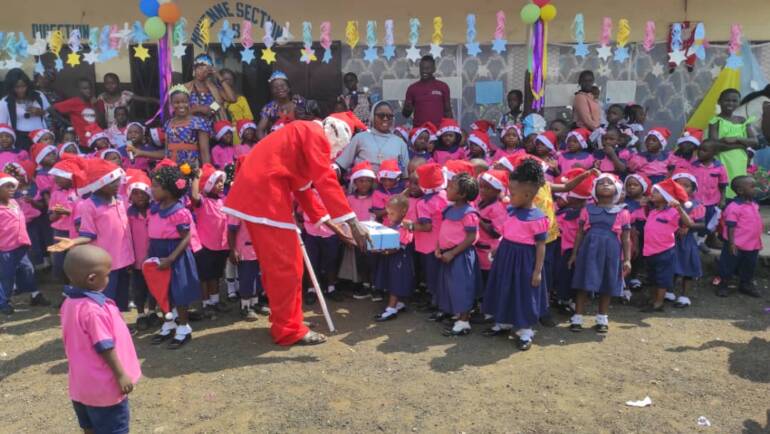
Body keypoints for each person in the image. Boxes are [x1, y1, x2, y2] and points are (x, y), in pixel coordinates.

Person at [223, 112, 370, 346]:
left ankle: (287, 320)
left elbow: (304, 191)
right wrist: (353, 223)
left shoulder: (302, 135)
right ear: (337, 135)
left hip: (263, 194)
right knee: (287, 267)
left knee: (283, 266)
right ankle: (289, 329)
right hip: (265, 196)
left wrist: (335, 227)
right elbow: (324, 179)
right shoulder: (313, 134)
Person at [59, 245, 141, 434]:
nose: (108, 278)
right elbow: (104, 346)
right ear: (92, 279)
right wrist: (121, 374)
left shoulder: (69, 303)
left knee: (89, 428)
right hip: (104, 386)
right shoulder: (93, 309)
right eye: (107, 274)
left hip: (81, 385)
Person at [48, 159, 134, 311]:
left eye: (117, 181)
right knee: (106, 300)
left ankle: (118, 325)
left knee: (121, 300)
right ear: (100, 184)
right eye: (112, 182)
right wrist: (73, 242)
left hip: (125, 259)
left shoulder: (120, 200)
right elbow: (88, 234)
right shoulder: (88, 205)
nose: (117, 185)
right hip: (106, 262)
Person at [482, 159, 549, 350]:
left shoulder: (537, 219)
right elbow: (506, 233)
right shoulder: (511, 211)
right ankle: (503, 322)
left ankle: (525, 330)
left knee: (523, 293)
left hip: (525, 260)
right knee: (505, 287)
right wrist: (498, 248)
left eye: (512, 193)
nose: (508, 196)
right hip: (506, 256)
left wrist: (537, 271)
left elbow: (541, 246)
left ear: (527, 194)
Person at [145, 161, 201, 348]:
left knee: (179, 292)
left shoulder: (179, 212)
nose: (152, 189)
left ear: (169, 190)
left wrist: (171, 258)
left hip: (174, 254)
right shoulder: (154, 209)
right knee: (162, 290)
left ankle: (184, 327)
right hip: (157, 251)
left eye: (156, 186)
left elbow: (186, 238)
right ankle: (169, 323)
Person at [568, 173, 631, 333]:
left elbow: (626, 238)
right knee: (583, 282)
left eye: (608, 183)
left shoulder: (623, 212)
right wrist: (574, 254)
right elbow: (580, 233)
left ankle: (602, 318)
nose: (604, 185)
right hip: (588, 249)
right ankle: (578, 317)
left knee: (607, 282)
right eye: (600, 183)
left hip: (611, 251)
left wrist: (627, 259)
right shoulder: (587, 210)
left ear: (616, 189)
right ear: (594, 189)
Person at [435, 172, 481, 336]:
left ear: (461, 194)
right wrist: (438, 247)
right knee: (451, 286)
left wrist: (453, 253)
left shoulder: (469, 213)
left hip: (460, 256)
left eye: (452, 187)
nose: (447, 188)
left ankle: (464, 321)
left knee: (463, 287)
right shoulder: (449, 209)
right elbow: (443, 230)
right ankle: (457, 315)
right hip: (448, 254)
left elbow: (471, 237)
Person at [641, 179, 694, 312]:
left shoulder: (672, 212)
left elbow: (689, 223)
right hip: (649, 251)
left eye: (657, 192)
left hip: (664, 251)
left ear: (667, 197)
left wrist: (679, 208)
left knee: (662, 279)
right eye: (652, 192)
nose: (652, 194)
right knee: (652, 277)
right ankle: (653, 300)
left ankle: (659, 303)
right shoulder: (652, 211)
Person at [0, 172, 49, 314]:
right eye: (6, 186)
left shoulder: (14, 203)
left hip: (20, 246)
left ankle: (34, 295)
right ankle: (3, 302)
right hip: (5, 249)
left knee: (28, 270)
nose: (11, 189)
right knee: (6, 276)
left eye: (12, 186)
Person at [128, 85, 212, 165]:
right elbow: (167, 152)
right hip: (172, 169)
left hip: (191, 168)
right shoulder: (168, 124)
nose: (181, 105)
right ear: (171, 104)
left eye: (184, 102)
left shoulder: (198, 122)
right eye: (177, 102)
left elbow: (204, 151)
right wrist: (141, 153)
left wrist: (207, 172)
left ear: (189, 102)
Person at [191, 164, 230, 317]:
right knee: (205, 277)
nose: (221, 185)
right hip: (205, 245)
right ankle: (206, 303)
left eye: (222, 181)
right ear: (208, 185)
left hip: (221, 246)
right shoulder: (203, 202)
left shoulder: (223, 201)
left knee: (216, 275)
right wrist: (196, 177)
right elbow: (194, 196)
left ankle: (215, 301)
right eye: (217, 182)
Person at [717, 176, 763, 298]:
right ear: (740, 191)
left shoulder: (754, 204)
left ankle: (745, 284)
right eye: (752, 187)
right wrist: (731, 244)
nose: (756, 189)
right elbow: (731, 227)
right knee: (728, 264)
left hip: (752, 244)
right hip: (736, 243)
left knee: (750, 265)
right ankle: (724, 284)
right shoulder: (734, 207)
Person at [709, 89, 759, 199]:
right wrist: (742, 145)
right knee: (724, 185)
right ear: (719, 101)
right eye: (727, 100)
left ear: (739, 102)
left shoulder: (742, 120)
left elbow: (755, 141)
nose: (730, 103)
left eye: (734, 101)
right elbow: (714, 145)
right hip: (722, 160)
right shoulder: (715, 121)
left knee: (739, 185)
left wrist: (736, 138)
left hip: (739, 160)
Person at [336, 101, 410, 174]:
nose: (385, 119)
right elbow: (342, 164)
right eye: (381, 115)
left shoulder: (400, 143)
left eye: (389, 116)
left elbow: (405, 175)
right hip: (363, 184)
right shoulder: (360, 137)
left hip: (389, 185)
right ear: (372, 117)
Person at [373, 195, 415, 322]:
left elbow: (399, 246)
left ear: (403, 211)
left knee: (396, 281)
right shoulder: (391, 225)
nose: (389, 216)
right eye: (388, 213)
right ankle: (398, 303)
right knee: (392, 279)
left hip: (400, 259)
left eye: (392, 213)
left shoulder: (405, 227)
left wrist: (382, 250)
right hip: (390, 258)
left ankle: (391, 308)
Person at [414, 163, 449, 312]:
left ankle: (436, 303)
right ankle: (443, 302)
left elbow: (426, 226)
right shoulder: (446, 196)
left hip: (428, 245)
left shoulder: (423, 203)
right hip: (445, 243)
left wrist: (409, 226)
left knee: (432, 275)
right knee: (443, 275)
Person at [670, 171, 705, 308]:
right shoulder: (666, 203)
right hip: (669, 240)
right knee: (671, 266)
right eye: (678, 185)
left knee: (687, 267)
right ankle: (669, 290)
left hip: (686, 241)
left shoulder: (696, 205)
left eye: (687, 186)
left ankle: (684, 295)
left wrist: (689, 227)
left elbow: (702, 224)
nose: (682, 188)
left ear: (693, 189)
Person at [0, 69, 51, 151]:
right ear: (11, 87)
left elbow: (49, 114)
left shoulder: (39, 96)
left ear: (28, 84)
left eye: (23, 86)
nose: (21, 90)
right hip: (19, 138)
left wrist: (41, 112)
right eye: (17, 87)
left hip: (40, 136)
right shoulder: (5, 102)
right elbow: (2, 125)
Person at [691, 140, 728, 246]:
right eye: (699, 150)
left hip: (711, 201)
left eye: (704, 150)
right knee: (697, 221)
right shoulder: (693, 166)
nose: (700, 152)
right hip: (695, 202)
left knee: (709, 222)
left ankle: (702, 241)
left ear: (714, 153)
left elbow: (723, 185)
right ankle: (695, 243)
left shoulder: (719, 167)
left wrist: (722, 199)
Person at [183, 55, 236, 125]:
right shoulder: (185, 88)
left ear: (209, 72)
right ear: (194, 69)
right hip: (191, 129)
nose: (201, 72)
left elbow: (232, 99)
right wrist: (198, 109)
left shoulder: (214, 88)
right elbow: (177, 111)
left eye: (205, 70)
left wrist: (219, 76)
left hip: (212, 130)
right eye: (199, 68)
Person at [402, 55, 453, 127]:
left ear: (434, 69)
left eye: (427, 68)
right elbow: (405, 115)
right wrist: (407, 109)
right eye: (422, 68)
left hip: (438, 131)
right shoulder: (412, 88)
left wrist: (451, 128)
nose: (424, 71)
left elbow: (448, 111)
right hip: (420, 133)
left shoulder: (443, 87)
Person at [257, 71, 306, 139]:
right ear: (271, 91)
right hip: (278, 141)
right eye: (275, 87)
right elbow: (260, 130)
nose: (279, 88)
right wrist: (267, 146)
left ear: (288, 88)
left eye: (282, 85)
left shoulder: (298, 101)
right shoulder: (269, 108)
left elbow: (307, 122)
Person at [52, 78, 98, 148]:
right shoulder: (74, 102)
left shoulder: (93, 102)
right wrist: (67, 122)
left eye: (90, 88)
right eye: (85, 88)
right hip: (81, 140)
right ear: (79, 90)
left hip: (94, 139)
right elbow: (51, 109)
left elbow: (99, 121)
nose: (89, 91)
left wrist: (95, 105)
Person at [219, 68, 254, 144]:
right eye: (224, 79)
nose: (227, 82)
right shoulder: (217, 99)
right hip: (224, 136)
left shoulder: (241, 99)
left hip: (240, 134)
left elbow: (249, 119)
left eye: (230, 79)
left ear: (234, 82)